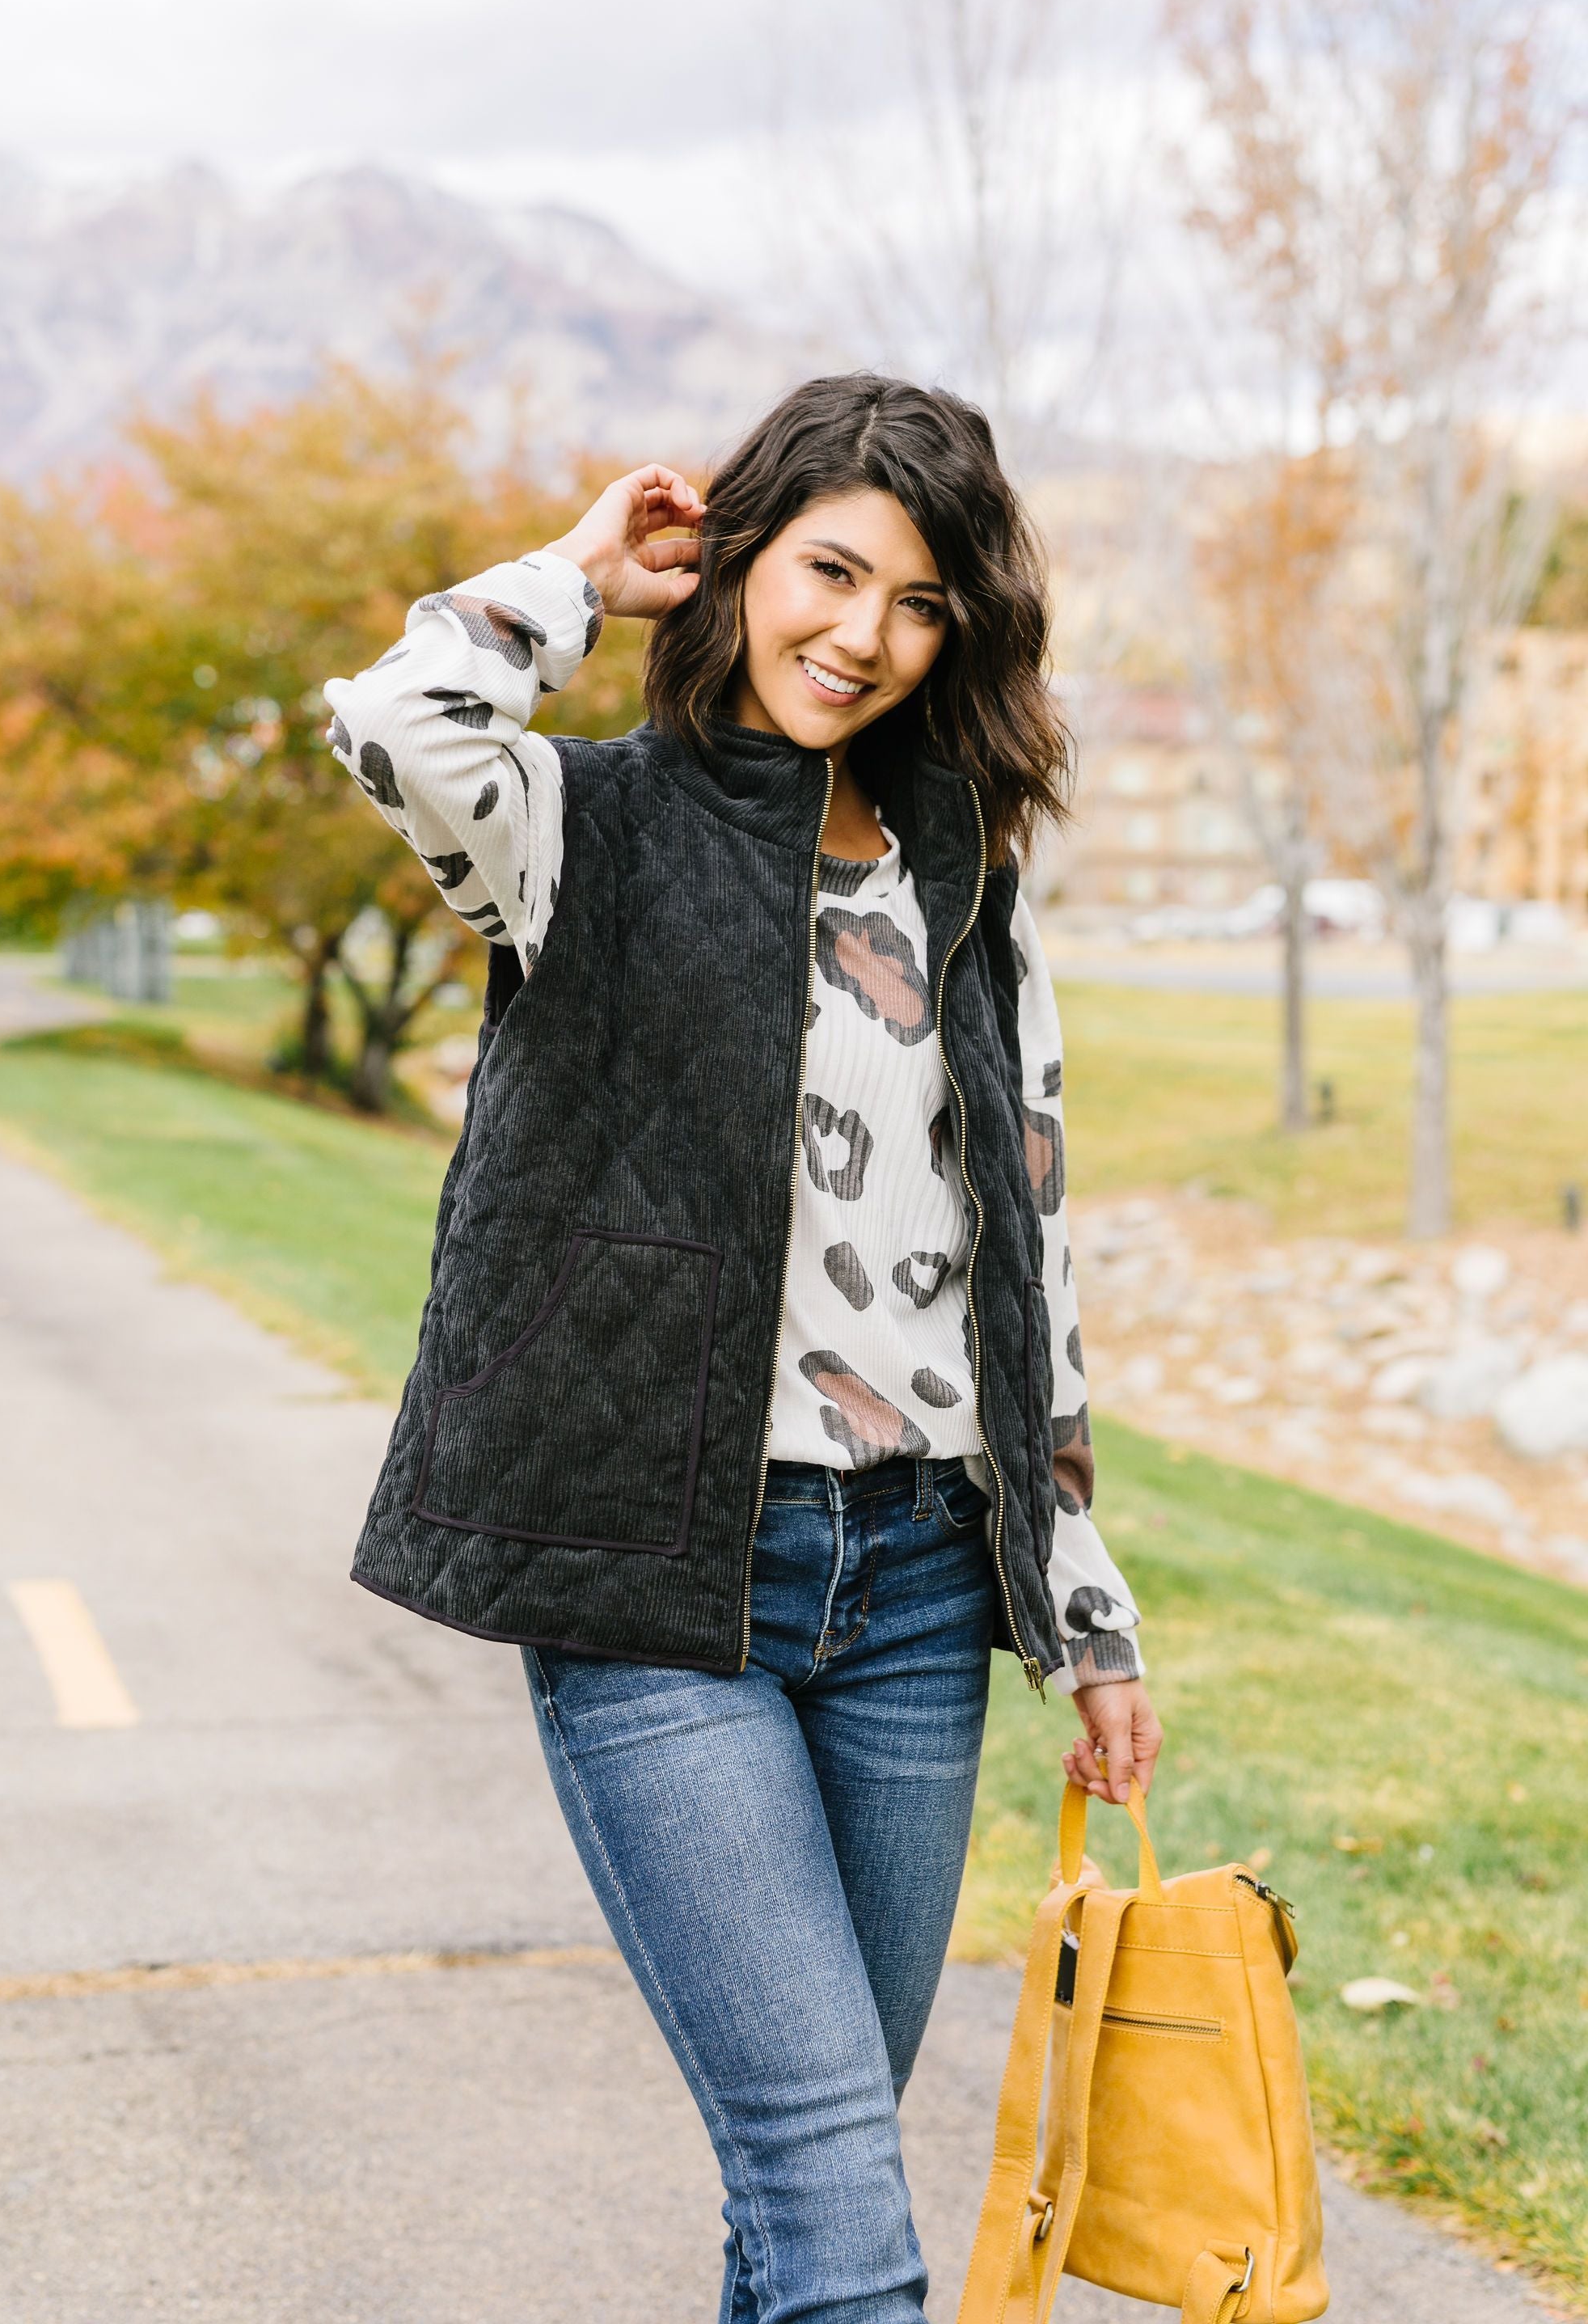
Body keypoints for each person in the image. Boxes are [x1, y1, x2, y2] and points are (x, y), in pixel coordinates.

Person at [324, 373, 1162, 2323]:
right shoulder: (576, 828)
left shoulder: (964, 885)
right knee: (844, 2222)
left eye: (921, 602)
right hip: (654, 1582)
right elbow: (393, 721)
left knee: (814, 2184)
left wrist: (1083, 1597)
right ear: (741, 556)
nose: (862, 637)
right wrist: (575, 581)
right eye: (828, 572)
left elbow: (1013, 1252)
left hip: (915, 1590)